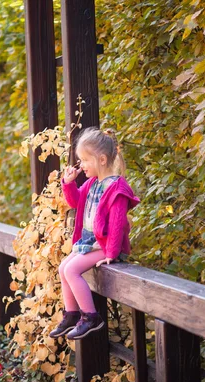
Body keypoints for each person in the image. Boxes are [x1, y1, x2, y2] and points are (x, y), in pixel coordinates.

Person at [49, 127, 140, 340]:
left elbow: (117, 223)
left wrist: (112, 253)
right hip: (90, 241)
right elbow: (75, 202)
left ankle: (90, 317)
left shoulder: (117, 188)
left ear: (101, 159)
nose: (81, 165)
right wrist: (69, 184)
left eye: (84, 160)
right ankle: (71, 314)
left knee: (71, 270)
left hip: (105, 244)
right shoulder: (92, 183)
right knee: (64, 267)